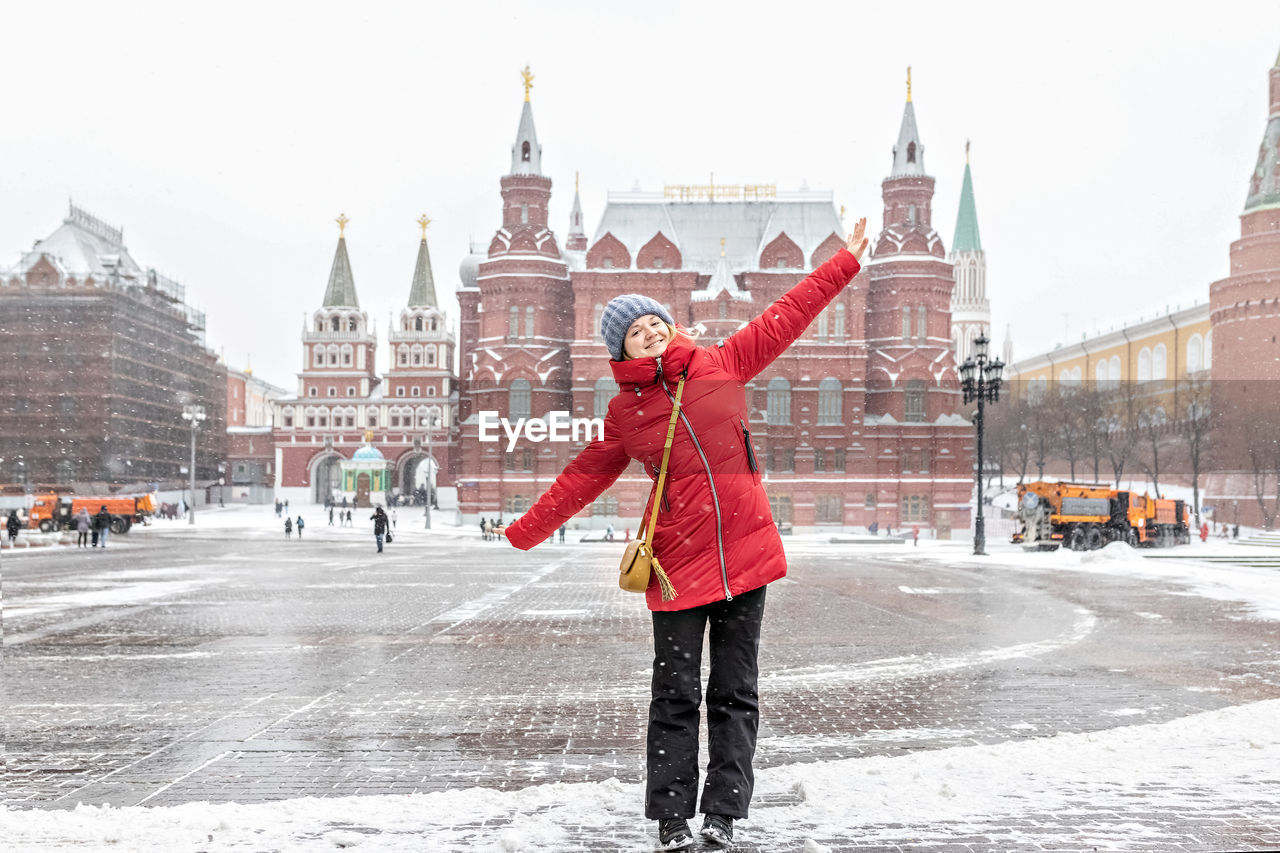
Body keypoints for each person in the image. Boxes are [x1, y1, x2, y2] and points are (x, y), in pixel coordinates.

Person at [503, 219, 869, 850]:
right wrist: (524, 531)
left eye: (655, 324)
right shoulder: (625, 413)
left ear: (669, 326)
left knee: (734, 693)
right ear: (622, 354)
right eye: (635, 333)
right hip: (676, 565)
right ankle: (672, 819)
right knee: (674, 694)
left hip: (747, 559)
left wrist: (845, 262)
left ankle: (722, 818)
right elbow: (580, 479)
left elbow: (788, 314)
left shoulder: (722, 363)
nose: (650, 334)